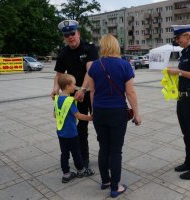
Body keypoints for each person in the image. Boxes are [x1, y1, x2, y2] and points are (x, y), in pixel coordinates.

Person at [88, 34, 141, 198]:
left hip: (99, 112)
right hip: (117, 112)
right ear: (116, 46)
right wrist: (137, 113)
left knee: (104, 147)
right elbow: (130, 92)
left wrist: (93, 111)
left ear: (102, 46)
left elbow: (92, 91)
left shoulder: (94, 66)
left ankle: (105, 181)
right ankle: (115, 187)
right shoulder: (124, 65)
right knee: (116, 150)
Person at [51, 20, 99, 172]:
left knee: (100, 124)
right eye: (67, 35)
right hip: (75, 95)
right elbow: (59, 74)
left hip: (91, 92)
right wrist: (55, 88)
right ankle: (83, 160)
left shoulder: (89, 48)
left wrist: (83, 89)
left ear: (78, 33)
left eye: (72, 33)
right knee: (81, 129)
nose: (70, 37)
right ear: (64, 37)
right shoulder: (64, 52)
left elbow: (90, 71)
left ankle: (107, 156)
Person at [167, 24, 190, 180]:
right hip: (182, 97)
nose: (177, 40)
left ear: (187, 36)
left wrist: (180, 72)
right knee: (186, 133)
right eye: (176, 38)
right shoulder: (185, 53)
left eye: (178, 37)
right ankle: (189, 162)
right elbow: (185, 75)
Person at [54, 74, 95, 183]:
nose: (75, 86)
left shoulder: (58, 98)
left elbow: (55, 114)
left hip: (61, 132)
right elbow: (78, 116)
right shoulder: (69, 101)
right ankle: (81, 170)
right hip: (71, 133)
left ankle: (66, 174)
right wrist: (91, 118)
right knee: (76, 152)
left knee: (64, 153)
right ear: (67, 86)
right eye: (74, 84)